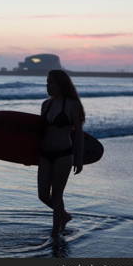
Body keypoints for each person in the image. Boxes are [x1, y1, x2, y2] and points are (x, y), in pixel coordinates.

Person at [37, 69, 85, 236]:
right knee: (43, 195)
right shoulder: (46, 105)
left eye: (51, 82)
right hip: (44, 155)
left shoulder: (72, 105)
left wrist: (79, 159)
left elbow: (78, 134)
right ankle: (63, 216)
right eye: (47, 82)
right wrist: (27, 156)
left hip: (63, 154)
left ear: (61, 84)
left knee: (57, 196)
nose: (48, 86)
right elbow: (38, 133)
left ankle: (55, 234)